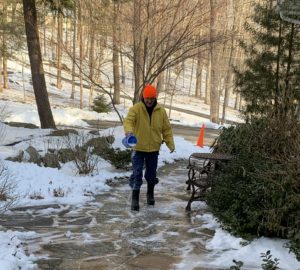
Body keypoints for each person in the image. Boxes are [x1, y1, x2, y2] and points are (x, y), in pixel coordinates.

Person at [123, 84, 175, 211]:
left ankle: (150, 194)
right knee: (137, 173)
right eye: (147, 98)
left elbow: (166, 129)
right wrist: (129, 132)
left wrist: (170, 144)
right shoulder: (136, 109)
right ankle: (135, 198)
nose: (149, 100)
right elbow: (128, 121)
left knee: (151, 175)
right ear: (143, 97)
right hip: (138, 148)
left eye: (152, 98)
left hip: (153, 149)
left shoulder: (161, 111)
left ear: (155, 98)